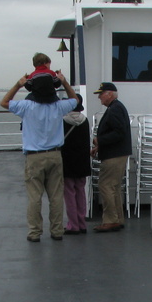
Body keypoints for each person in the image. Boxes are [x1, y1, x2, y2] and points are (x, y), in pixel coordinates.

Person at [0, 68, 79, 242]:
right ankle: (57, 231)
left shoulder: (26, 106)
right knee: (56, 196)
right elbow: (75, 100)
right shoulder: (58, 106)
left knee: (35, 197)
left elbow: (4, 102)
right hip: (55, 155)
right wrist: (64, 82)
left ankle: (34, 232)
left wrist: (18, 84)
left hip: (34, 157)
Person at [91, 82, 132, 232]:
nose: (99, 97)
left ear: (109, 94)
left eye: (101, 94)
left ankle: (110, 220)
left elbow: (119, 132)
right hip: (118, 153)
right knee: (113, 187)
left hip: (114, 155)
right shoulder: (117, 107)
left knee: (106, 185)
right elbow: (119, 132)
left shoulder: (114, 109)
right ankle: (117, 219)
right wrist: (99, 147)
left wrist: (99, 140)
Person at [61, 96, 91, 235]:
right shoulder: (85, 121)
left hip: (67, 161)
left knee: (69, 193)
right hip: (82, 161)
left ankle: (73, 225)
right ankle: (82, 223)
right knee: (80, 191)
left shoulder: (62, 121)